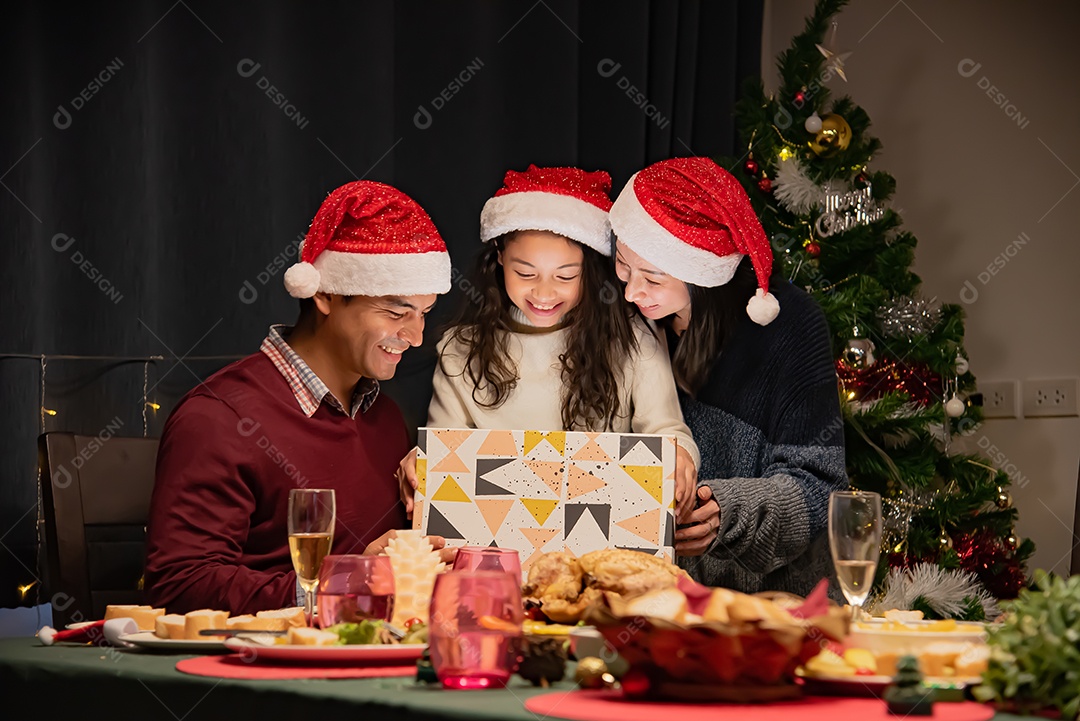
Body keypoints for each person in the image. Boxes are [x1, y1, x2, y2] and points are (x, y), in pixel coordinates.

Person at [145, 180, 456, 615]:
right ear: (326, 294)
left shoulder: (384, 417)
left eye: (423, 313)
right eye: (395, 310)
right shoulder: (219, 418)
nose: (416, 336)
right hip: (265, 670)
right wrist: (347, 582)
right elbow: (181, 587)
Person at [400, 165, 700, 520]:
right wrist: (425, 459)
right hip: (495, 549)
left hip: (603, 547)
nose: (543, 293)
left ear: (588, 269)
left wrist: (679, 453)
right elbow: (444, 446)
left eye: (565, 276)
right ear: (499, 257)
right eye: (525, 273)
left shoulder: (631, 337)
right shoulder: (461, 349)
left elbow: (667, 429)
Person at [608, 156, 848, 596]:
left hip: (774, 608)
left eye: (653, 278)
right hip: (658, 603)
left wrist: (727, 512)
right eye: (623, 265)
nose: (631, 291)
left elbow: (819, 491)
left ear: (703, 274)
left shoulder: (788, 325)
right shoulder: (630, 324)